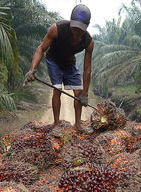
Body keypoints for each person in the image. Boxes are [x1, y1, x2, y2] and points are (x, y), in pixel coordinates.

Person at [23, 4, 94, 132]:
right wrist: (32, 70)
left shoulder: (88, 42)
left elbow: (87, 68)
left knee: (78, 92)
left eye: (81, 30)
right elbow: (41, 49)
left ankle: (78, 125)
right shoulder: (57, 29)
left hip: (69, 63)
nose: (77, 32)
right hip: (54, 61)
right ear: (71, 23)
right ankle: (56, 124)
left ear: (86, 27)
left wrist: (86, 93)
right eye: (75, 28)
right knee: (57, 89)